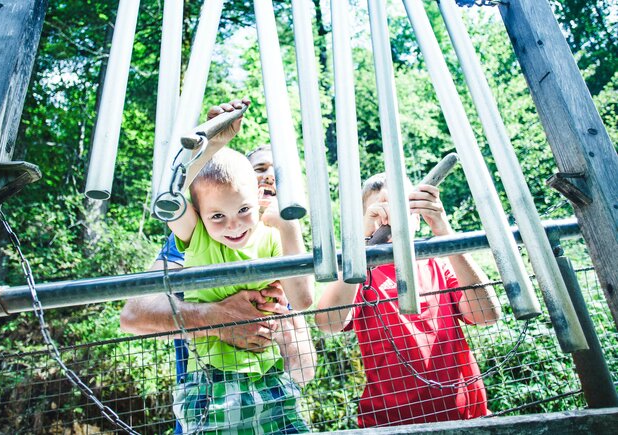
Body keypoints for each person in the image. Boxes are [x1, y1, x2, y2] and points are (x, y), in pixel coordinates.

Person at [121, 99, 315, 433]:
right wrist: (211, 145)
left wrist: (287, 223)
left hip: (270, 385)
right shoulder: (196, 237)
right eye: (260, 169)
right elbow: (132, 314)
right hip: (214, 387)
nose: (233, 225)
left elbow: (306, 363)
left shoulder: (276, 238)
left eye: (276, 173)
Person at [315, 172, 502, 428]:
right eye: (380, 211)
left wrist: (443, 230)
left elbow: (487, 315)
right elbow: (328, 323)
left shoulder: (441, 261)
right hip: (390, 423)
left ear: (418, 217)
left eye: (403, 208)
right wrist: (363, 245)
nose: (392, 219)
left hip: (467, 418)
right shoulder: (360, 274)